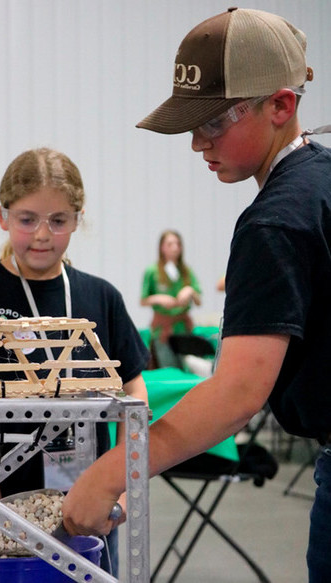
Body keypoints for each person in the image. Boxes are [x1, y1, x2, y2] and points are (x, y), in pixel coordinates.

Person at [62, 8, 331, 582]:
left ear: (281, 105)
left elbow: (237, 392)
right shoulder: (322, 182)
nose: (195, 145)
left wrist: (113, 472)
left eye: (213, 123)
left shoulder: (275, 222)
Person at [0, 147, 149, 575]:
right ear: (2, 217)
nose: (42, 235)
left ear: (77, 219)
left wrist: (122, 484)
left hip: (86, 502)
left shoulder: (101, 297)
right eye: (27, 220)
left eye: (58, 221)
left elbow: (133, 390)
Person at [141, 229, 201, 368]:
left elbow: (199, 300)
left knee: (188, 367)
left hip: (183, 329)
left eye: (177, 244)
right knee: (169, 368)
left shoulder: (186, 271)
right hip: (163, 330)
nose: (175, 247)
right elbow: (143, 300)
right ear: (162, 247)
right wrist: (158, 298)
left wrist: (190, 291)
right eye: (170, 244)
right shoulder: (153, 271)